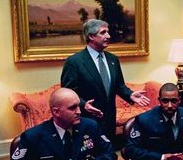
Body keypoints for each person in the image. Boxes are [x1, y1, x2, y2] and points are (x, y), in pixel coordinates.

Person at [1, 88, 118, 160]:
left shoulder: (90, 126)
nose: (79, 111)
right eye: (72, 108)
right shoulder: (33, 137)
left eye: (78, 106)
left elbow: (110, 156)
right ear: (56, 112)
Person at [61, 19, 150, 148]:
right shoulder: (74, 62)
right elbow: (68, 92)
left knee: (108, 154)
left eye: (108, 32)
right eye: (103, 32)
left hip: (109, 118)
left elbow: (119, 85)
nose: (108, 36)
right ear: (91, 36)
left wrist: (130, 95)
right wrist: (83, 104)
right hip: (86, 119)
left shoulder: (113, 59)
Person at [124, 83, 183, 160]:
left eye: (174, 101)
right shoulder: (144, 120)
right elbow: (131, 149)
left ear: (179, 100)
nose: (169, 105)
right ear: (159, 100)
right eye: (165, 101)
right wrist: (161, 157)